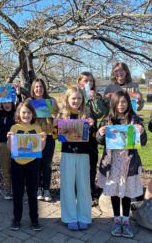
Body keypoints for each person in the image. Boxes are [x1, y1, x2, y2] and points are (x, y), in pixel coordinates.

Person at [96, 91, 147, 238]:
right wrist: (100, 133)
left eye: (124, 102)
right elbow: (100, 141)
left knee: (125, 193)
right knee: (114, 191)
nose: (120, 105)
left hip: (128, 162)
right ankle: (116, 221)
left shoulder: (134, 119)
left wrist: (142, 132)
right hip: (112, 163)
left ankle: (126, 221)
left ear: (128, 103)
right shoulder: (107, 119)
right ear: (113, 103)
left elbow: (143, 142)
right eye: (118, 102)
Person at [57, 87, 94, 231]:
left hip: (84, 153)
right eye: (73, 98)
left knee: (84, 186)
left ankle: (84, 217)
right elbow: (56, 135)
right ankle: (70, 218)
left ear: (82, 100)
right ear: (67, 99)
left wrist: (91, 125)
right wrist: (55, 124)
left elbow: (93, 134)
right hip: (67, 153)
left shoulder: (86, 114)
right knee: (67, 185)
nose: (76, 101)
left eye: (79, 98)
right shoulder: (62, 114)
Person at [7, 101, 47, 231]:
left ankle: (34, 219)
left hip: (33, 163)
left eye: (29, 112)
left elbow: (40, 148)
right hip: (17, 164)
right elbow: (10, 149)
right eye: (23, 112)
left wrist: (44, 139)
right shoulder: (14, 128)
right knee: (17, 193)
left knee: (32, 192)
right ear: (19, 113)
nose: (26, 115)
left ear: (33, 114)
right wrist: (9, 139)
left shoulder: (37, 128)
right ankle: (16, 219)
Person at [0, 83, 22, 200]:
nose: (7, 105)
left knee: (16, 167)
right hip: (3, 144)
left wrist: (18, 93)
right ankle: (8, 190)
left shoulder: (17, 113)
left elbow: (20, 103)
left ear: (12, 103)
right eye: (4, 103)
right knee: (5, 167)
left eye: (9, 102)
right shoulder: (1, 114)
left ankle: (17, 189)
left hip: (17, 143)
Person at [77, 72, 108, 199]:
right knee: (79, 162)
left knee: (92, 160)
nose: (89, 83)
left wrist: (94, 99)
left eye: (91, 81)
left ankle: (90, 186)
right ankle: (79, 187)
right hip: (77, 133)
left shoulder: (97, 96)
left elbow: (101, 113)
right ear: (80, 82)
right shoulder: (75, 94)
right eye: (85, 81)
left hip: (92, 134)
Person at [28, 79, 59, 202]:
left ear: (44, 88)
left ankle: (46, 189)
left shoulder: (51, 101)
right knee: (36, 164)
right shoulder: (29, 102)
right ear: (33, 88)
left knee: (46, 164)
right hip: (34, 136)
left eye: (41, 86)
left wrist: (55, 117)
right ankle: (38, 188)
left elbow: (58, 116)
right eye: (36, 87)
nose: (39, 89)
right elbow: (23, 116)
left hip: (49, 135)